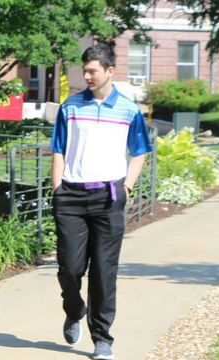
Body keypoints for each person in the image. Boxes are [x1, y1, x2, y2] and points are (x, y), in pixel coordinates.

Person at [50, 43, 153, 360]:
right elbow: (58, 148)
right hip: (70, 196)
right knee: (70, 267)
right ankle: (74, 307)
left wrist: (127, 187)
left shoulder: (129, 110)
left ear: (110, 71)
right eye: (85, 70)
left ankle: (102, 338)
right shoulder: (70, 107)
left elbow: (140, 151)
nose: (87, 75)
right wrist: (57, 188)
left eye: (93, 70)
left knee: (104, 272)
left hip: (109, 197)